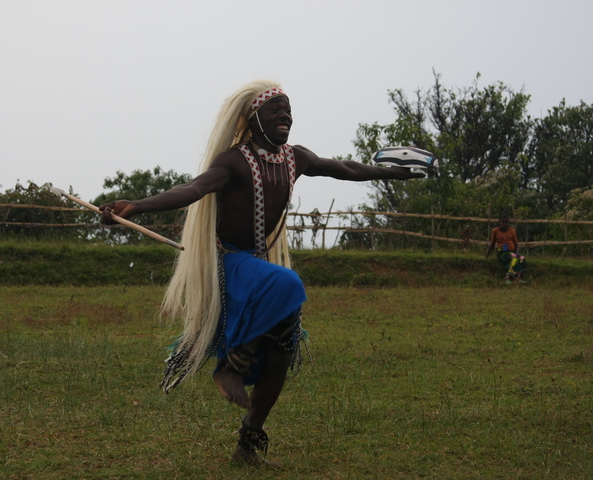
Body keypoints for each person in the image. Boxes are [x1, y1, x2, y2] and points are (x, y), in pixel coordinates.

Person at [100, 80, 422, 466]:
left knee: (281, 351)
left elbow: (345, 168)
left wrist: (392, 172)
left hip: (258, 264)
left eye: (288, 110)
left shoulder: (295, 158)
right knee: (288, 281)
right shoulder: (233, 162)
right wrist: (137, 206)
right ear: (253, 120)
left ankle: (247, 445)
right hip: (229, 264)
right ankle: (230, 367)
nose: (285, 116)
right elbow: (192, 189)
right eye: (275, 110)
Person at [486, 215, 527, 284]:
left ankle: (518, 278)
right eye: (503, 222)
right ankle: (507, 277)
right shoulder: (495, 231)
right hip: (502, 253)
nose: (504, 224)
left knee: (522, 258)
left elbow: (516, 244)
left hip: (511, 252)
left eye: (506, 222)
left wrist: (517, 252)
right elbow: (492, 244)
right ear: (499, 222)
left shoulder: (512, 231)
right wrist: (487, 256)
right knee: (514, 259)